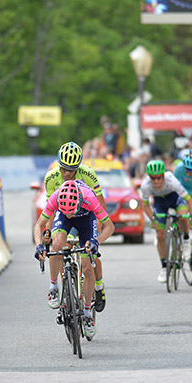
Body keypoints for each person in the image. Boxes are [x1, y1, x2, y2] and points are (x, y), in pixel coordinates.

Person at [33, 180, 114, 339]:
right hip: (63, 220)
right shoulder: (56, 198)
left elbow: (110, 227)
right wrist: (39, 246)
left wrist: (96, 242)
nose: (70, 213)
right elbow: (38, 225)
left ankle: (86, 314)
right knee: (56, 246)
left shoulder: (89, 197)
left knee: (87, 268)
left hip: (86, 220)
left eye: (72, 211)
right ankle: (54, 287)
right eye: (66, 210)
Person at [43, 142, 108, 312]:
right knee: (58, 246)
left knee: (88, 263)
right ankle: (58, 288)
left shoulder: (88, 175)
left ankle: (99, 288)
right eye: (63, 168)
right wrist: (47, 232)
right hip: (64, 215)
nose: (66, 173)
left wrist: (96, 235)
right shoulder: (51, 178)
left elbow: (100, 205)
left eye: (71, 170)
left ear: (78, 167)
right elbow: (49, 211)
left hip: (87, 215)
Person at [140, 159, 192, 283]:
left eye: (159, 178)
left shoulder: (172, 180)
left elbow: (189, 200)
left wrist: (191, 218)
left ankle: (186, 239)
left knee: (182, 216)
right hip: (160, 203)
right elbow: (145, 206)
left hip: (175, 199)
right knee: (160, 235)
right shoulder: (145, 185)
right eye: (153, 178)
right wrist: (153, 220)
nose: (156, 181)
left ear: (163, 175)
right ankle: (164, 267)